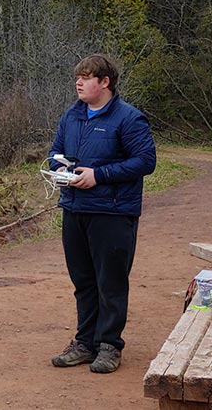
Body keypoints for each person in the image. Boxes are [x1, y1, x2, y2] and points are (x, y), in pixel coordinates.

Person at [48, 54, 156, 374]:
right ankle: (85, 343)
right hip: (74, 208)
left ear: (104, 82)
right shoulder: (72, 115)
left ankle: (109, 346)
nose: (78, 83)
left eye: (86, 77)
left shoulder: (129, 118)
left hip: (112, 212)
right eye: (77, 77)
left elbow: (145, 162)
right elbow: (56, 154)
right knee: (83, 281)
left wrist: (100, 175)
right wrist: (61, 171)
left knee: (110, 282)